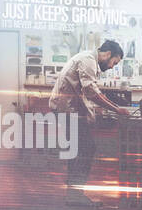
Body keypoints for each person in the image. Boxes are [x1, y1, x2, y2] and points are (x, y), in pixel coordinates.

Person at [47, 40, 131, 196]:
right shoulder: (88, 60)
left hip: (66, 109)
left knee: (78, 151)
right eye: (114, 62)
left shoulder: (88, 59)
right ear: (107, 54)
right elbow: (91, 91)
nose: (113, 66)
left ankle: (73, 193)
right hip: (66, 110)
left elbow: (84, 93)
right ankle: (75, 194)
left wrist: (93, 112)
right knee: (87, 148)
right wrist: (116, 109)